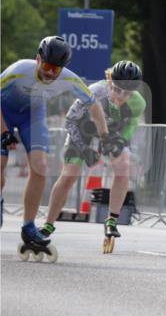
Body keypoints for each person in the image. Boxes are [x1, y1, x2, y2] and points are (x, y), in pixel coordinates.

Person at [1, 36, 110, 246]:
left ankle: (29, 227)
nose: (50, 72)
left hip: (32, 115)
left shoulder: (68, 78)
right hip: (3, 112)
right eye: (48, 65)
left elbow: (94, 105)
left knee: (41, 166)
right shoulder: (19, 69)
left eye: (56, 69)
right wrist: (4, 130)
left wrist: (104, 136)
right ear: (38, 59)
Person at [40, 60, 146, 245]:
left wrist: (121, 139)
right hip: (83, 131)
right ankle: (48, 224)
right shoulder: (94, 91)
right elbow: (70, 121)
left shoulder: (138, 102)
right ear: (110, 81)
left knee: (124, 166)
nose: (121, 97)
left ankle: (112, 220)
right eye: (117, 89)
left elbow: (131, 124)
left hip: (112, 132)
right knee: (69, 176)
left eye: (127, 93)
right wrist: (84, 149)